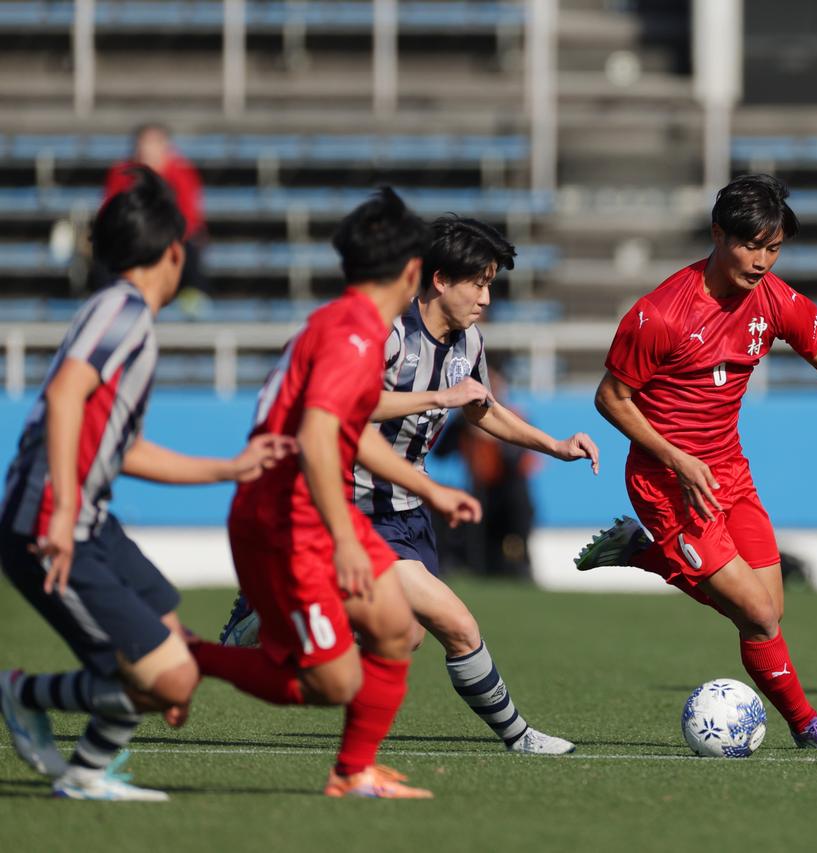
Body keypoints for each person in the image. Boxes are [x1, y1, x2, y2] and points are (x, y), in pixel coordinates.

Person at [222, 215, 599, 755]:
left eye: (491, 283)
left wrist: (554, 445)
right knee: (457, 625)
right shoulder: (389, 332)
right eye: (479, 282)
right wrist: (437, 398)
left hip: (407, 511)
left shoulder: (469, 343)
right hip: (354, 505)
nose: (486, 298)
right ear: (441, 279)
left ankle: (273, 614)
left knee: (408, 635)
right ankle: (519, 737)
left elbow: (482, 411)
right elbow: (348, 406)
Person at [0, 167, 291, 801]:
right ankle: (25, 696)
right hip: (51, 521)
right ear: (175, 252)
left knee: (172, 636)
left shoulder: (124, 315)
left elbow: (119, 446)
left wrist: (226, 468)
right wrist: (62, 512)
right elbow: (65, 393)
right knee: (172, 679)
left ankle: (84, 771)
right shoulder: (123, 311)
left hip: (87, 519)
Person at [574, 174, 817, 751]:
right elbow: (609, 398)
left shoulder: (774, 298)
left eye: (773, 248)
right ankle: (808, 727)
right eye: (750, 246)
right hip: (666, 481)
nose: (762, 261)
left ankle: (640, 553)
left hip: (729, 473)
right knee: (759, 616)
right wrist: (676, 457)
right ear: (718, 235)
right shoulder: (660, 314)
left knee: (771, 610)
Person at [186, 189, 482, 798]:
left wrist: (430, 489)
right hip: (283, 520)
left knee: (398, 631)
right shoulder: (354, 336)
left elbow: (351, 434)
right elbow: (323, 440)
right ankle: (187, 656)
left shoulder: (343, 323)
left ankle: (353, 772)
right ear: (411, 274)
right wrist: (348, 539)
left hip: (303, 511)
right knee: (332, 683)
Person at [101, 124, 209, 312]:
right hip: (132, 239)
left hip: (170, 238)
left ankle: (191, 294)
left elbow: (190, 217)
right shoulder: (122, 172)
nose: (147, 150)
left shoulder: (182, 173)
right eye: (144, 143)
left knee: (191, 246)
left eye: (153, 143)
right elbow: (110, 212)